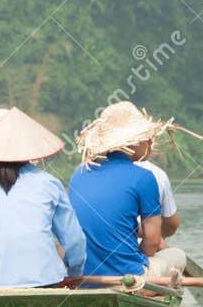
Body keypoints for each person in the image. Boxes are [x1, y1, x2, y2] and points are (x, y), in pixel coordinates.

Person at [0, 108, 86, 289]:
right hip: (47, 279)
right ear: (30, 147)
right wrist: (74, 274)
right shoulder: (49, 183)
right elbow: (74, 241)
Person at [70, 102, 190, 279]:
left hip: (83, 275)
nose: (150, 141)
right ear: (132, 142)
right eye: (146, 137)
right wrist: (137, 260)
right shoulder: (144, 177)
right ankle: (150, 289)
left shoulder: (80, 172)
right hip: (128, 276)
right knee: (178, 256)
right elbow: (152, 242)